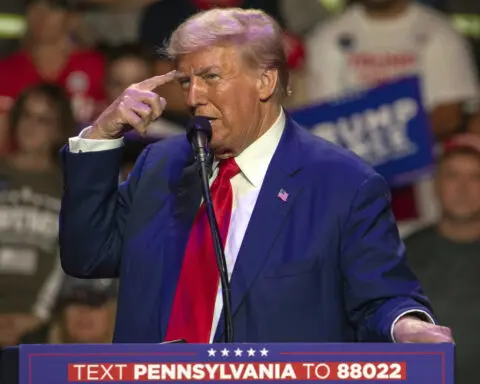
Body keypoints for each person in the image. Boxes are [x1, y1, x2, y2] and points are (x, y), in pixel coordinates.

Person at [59, 8, 452, 344]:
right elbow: (87, 257)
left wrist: (406, 326)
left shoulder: (343, 185)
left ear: (265, 81)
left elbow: (381, 299)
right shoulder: (159, 166)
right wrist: (100, 135)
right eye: (185, 81)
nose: (193, 96)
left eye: (210, 77)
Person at [0, 83, 76, 346]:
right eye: (26, 116)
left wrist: (38, 316)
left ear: (58, 129)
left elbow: (67, 257)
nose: (31, 126)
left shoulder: (69, 187)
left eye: (43, 120)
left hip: (42, 324)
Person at [405, 134, 480, 383]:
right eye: (452, 175)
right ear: (436, 186)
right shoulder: (400, 255)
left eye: (475, 177)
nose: (463, 188)